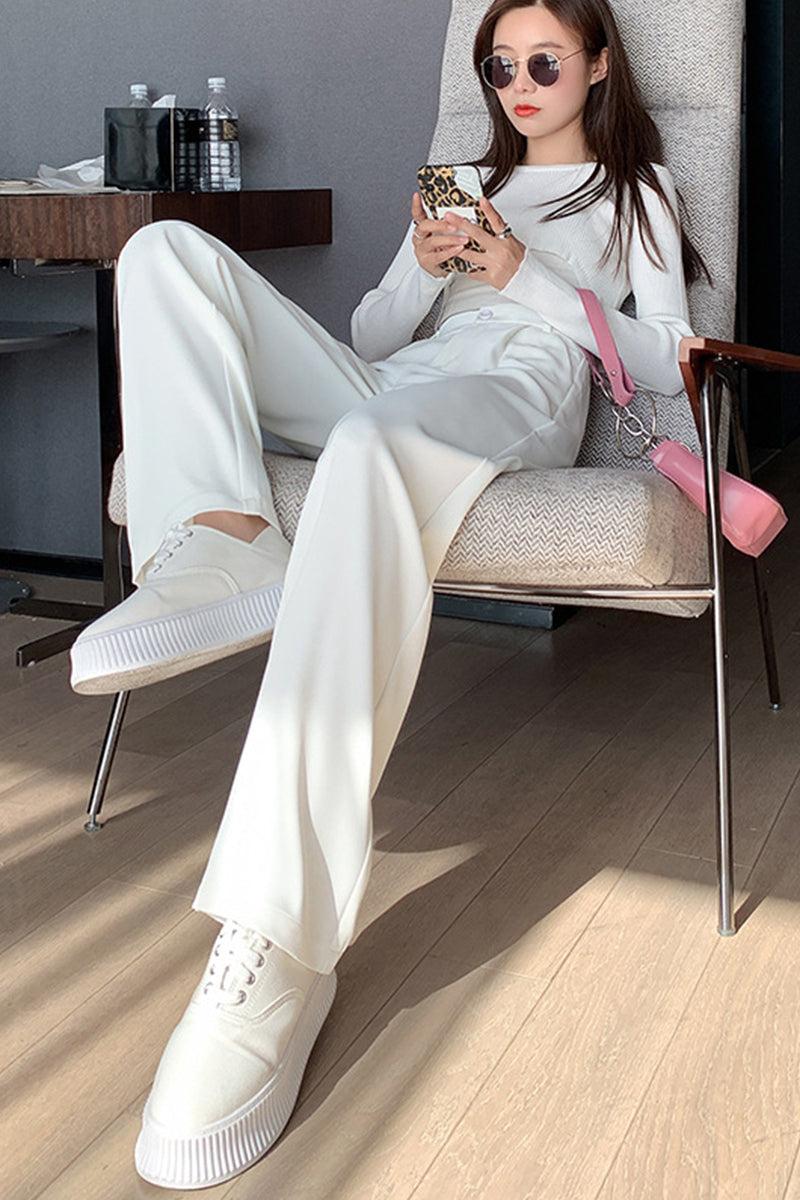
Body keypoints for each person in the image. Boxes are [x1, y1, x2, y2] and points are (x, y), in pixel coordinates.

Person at [70, 0, 711, 1189]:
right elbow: (366, 333)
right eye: (496, 64)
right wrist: (421, 269)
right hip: (392, 373)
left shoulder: (639, 193)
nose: (515, 82)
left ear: (596, 64)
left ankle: (276, 940)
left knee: (369, 448)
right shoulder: (459, 177)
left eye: (540, 61)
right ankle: (220, 543)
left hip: (523, 387)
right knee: (160, 252)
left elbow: (665, 361)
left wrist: (523, 275)